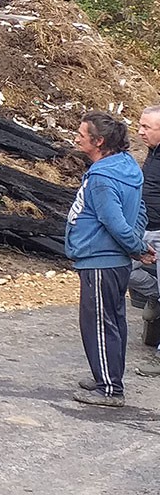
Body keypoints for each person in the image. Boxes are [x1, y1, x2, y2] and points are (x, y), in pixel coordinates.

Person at [66, 111, 152, 407]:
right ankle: (106, 375)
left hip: (101, 260)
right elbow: (139, 211)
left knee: (99, 324)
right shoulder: (127, 167)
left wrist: (136, 248)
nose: (76, 137)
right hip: (112, 261)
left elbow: (113, 221)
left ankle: (110, 389)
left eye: (82, 133)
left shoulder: (102, 177)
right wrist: (136, 242)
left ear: (98, 141)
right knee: (113, 320)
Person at [133, 105, 160, 376]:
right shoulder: (152, 153)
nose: (139, 132)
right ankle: (156, 295)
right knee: (124, 268)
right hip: (143, 229)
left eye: (146, 127)